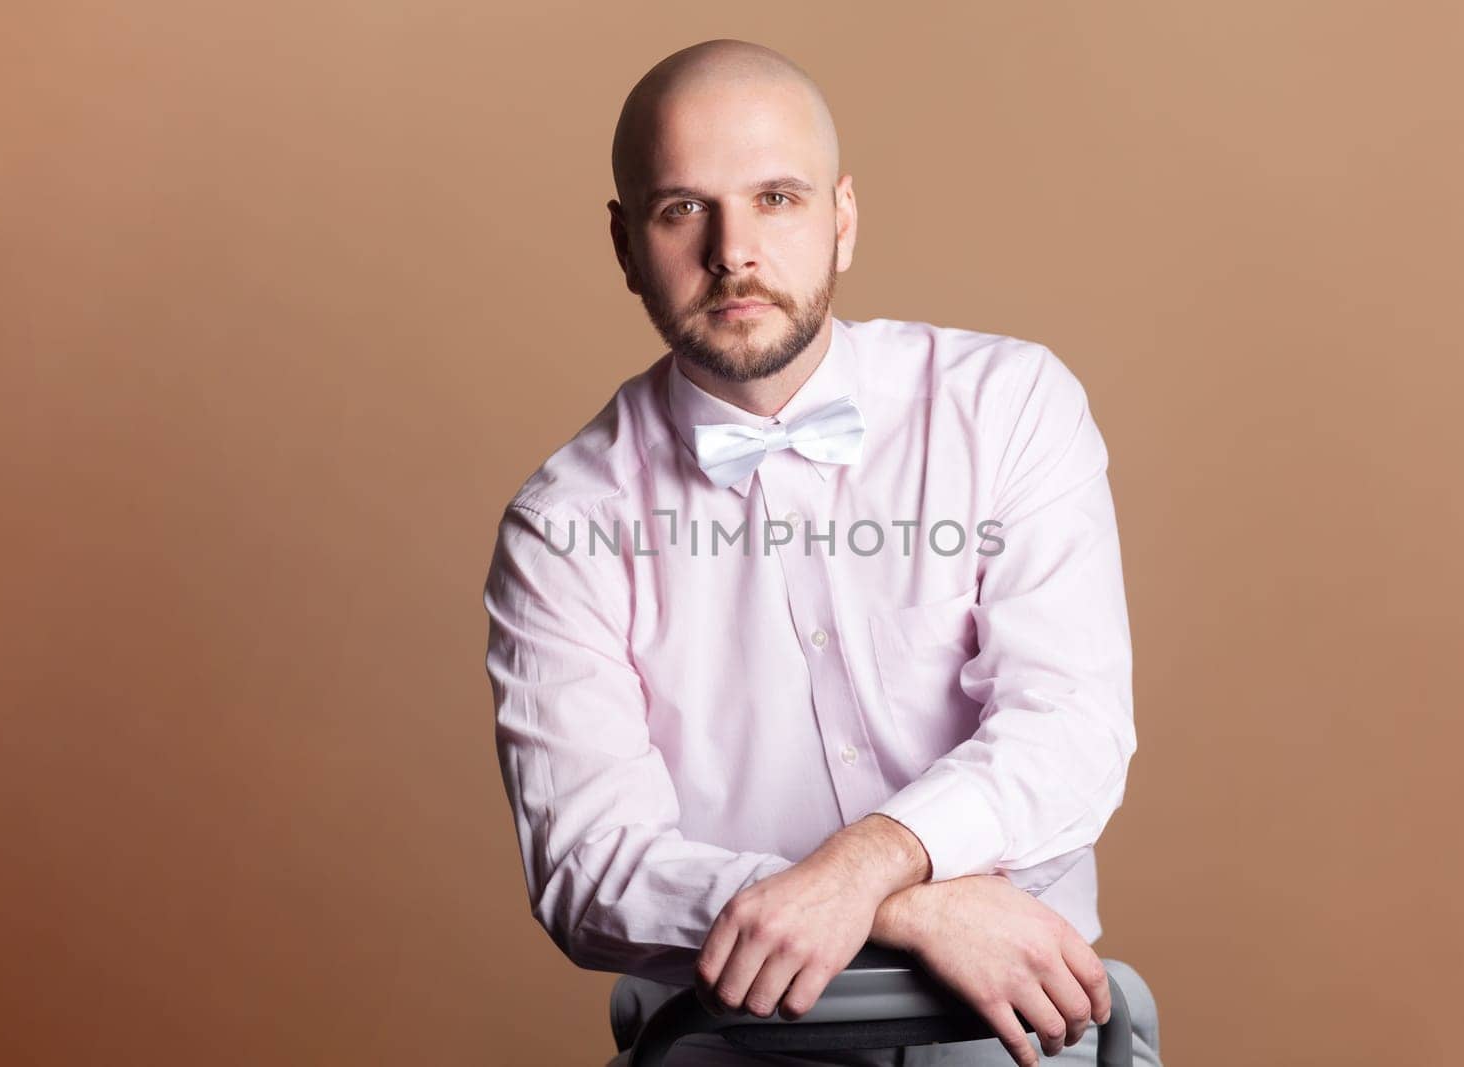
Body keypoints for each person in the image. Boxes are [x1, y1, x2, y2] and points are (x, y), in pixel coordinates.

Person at [483, 38, 1163, 1067]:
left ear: (841, 219)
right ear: (625, 245)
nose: (732, 251)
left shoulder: (1010, 404)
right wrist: (900, 907)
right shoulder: (562, 521)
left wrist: (865, 864)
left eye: (775, 199)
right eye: (682, 209)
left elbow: (1069, 727)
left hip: (1016, 1028)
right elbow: (588, 868)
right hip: (725, 1043)